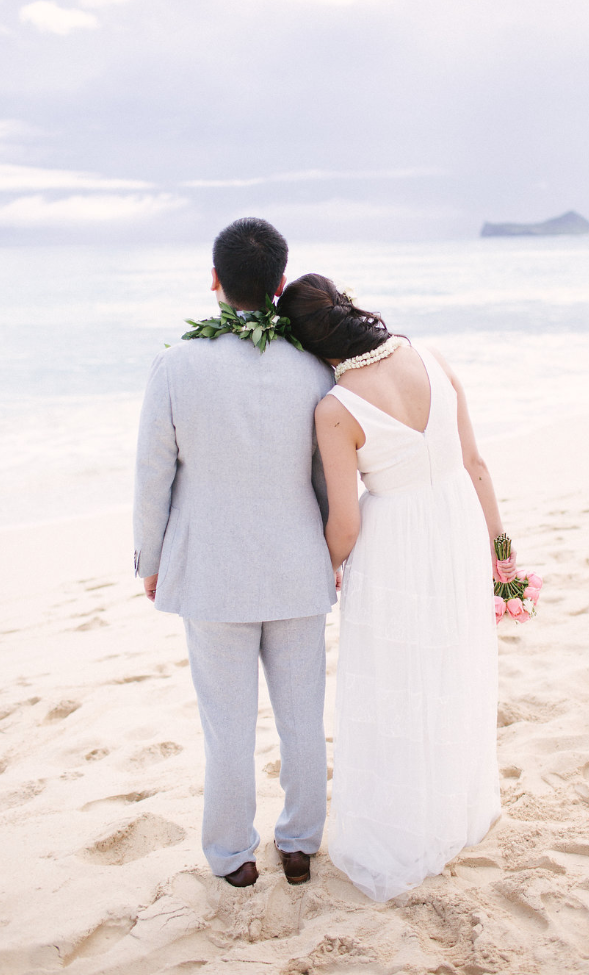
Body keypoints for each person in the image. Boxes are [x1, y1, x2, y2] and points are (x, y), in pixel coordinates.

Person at [276, 273, 515, 902]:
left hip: (397, 546)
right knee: (452, 665)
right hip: (458, 527)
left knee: (397, 680)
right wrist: (501, 549)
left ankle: (407, 828)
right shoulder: (432, 358)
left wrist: (326, 567)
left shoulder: (336, 408)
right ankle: (454, 811)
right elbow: (476, 463)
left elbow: (345, 522)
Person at [133, 219, 336, 889]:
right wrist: (336, 553)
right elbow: (326, 475)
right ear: (278, 284)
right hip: (300, 564)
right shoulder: (312, 368)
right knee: (303, 715)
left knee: (226, 725)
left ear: (214, 280)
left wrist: (150, 558)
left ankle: (232, 856)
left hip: (211, 571)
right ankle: (301, 841)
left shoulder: (174, 364)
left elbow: (153, 473)